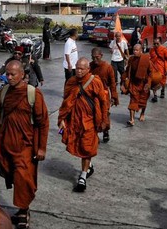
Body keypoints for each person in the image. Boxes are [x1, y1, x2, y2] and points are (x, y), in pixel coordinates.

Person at [0, 60, 49, 229]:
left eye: (13, 74)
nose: (9, 77)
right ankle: (23, 207)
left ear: (22, 75)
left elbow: (42, 123)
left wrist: (41, 148)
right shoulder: (4, 92)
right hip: (6, 142)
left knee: (24, 177)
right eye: (7, 74)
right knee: (13, 175)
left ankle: (23, 211)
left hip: (26, 145)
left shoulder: (33, 94)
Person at [58, 57, 110, 192]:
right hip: (75, 121)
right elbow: (66, 101)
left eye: (82, 69)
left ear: (88, 69)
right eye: (77, 68)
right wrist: (62, 118)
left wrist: (104, 119)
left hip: (89, 121)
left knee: (87, 148)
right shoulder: (71, 82)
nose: (79, 71)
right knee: (77, 144)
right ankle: (89, 166)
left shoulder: (95, 82)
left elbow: (104, 102)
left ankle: (83, 177)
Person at [90, 47, 118, 143]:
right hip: (93, 96)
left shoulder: (108, 67)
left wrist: (114, 97)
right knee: (94, 115)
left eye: (97, 57)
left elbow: (113, 83)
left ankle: (106, 131)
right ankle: (95, 135)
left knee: (104, 114)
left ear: (101, 56)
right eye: (93, 57)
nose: (95, 60)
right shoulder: (90, 66)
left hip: (104, 96)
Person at [121, 44, 152, 126]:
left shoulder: (146, 60)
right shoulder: (131, 59)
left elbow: (150, 73)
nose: (134, 52)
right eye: (134, 50)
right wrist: (123, 81)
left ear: (141, 50)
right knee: (133, 100)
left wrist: (148, 83)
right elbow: (127, 70)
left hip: (143, 84)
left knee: (143, 100)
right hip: (134, 84)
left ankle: (142, 113)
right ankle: (131, 120)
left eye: (137, 50)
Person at [148, 36, 167, 102]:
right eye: (154, 44)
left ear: (160, 43)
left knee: (162, 81)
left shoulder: (164, 49)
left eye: (157, 43)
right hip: (153, 68)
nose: (156, 45)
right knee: (154, 81)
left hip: (162, 68)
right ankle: (155, 96)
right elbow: (150, 58)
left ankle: (162, 90)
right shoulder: (152, 50)